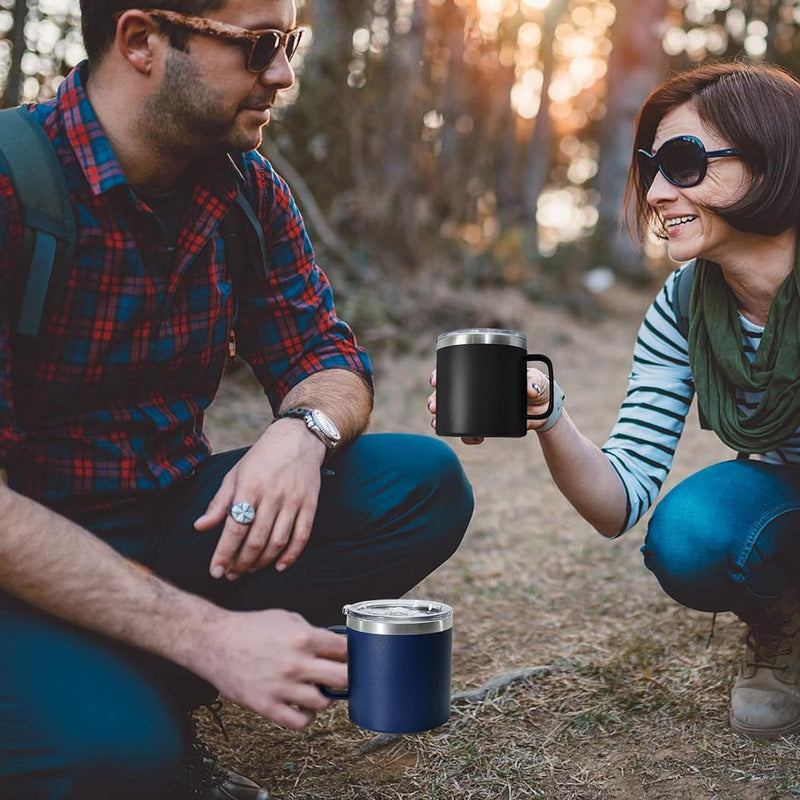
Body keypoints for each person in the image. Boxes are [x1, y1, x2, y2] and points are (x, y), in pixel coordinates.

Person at [0, 2, 474, 799]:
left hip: (169, 522)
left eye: (289, 43)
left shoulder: (244, 188)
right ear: (144, 41)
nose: (283, 74)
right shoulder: (14, 187)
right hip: (21, 560)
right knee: (116, 766)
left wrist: (303, 430)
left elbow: (328, 354)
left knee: (419, 484)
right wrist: (208, 636)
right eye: (258, 47)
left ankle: (132, 682)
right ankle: (114, 699)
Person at [429, 60, 800, 741]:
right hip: (788, 482)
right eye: (653, 166)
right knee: (689, 537)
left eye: (685, 163)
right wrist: (546, 412)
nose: (657, 192)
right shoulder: (684, 304)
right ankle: (782, 617)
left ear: (770, 160)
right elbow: (617, 502)